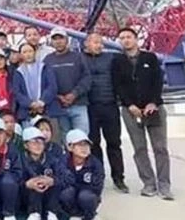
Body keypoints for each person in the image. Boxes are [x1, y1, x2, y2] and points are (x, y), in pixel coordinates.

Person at [111, 27, 171, 200]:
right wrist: (129, 104)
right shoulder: (117, 61)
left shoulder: (150, 58)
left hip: (154, 108)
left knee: (160, 148)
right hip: (131, 111)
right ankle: (149, 183)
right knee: (139, 148)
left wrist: (153, 101)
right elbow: (118, 86)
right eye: (122, 38)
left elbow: (157, 81)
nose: (125, 40)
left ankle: (164, 185)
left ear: (136, 39)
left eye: (129, 37)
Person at [82, 32, 128, 193]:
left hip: (110, 105)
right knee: (93, 144)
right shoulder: (80, 59)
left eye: (101, 42)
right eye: (95, 42)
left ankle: (119, 178)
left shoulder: (111, 59)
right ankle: (98, 176)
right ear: (86, 44)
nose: (99, 45)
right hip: (90, 106)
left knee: (114, 143)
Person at [42, 28, 92, 136]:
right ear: (51, 42)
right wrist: (58, 97)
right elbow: (44, 83)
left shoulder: (78, 57)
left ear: (66, 40)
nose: (58, 41)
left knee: (82, 137)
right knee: (66, 140)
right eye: (55, 39)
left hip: (79, 105)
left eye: (61, 38)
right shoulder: (47, 60)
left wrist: (74, 94)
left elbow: (87, 78)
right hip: (59, 107)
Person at [20, 127, 67, 220]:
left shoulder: (52, 159)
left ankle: (52, 213)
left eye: (41, 142)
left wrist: (52, 181)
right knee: (33, 184)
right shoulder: (20, 159)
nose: (38, 145)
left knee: (54, 182)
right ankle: (34, 213)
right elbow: (14, 178)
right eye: (34, 142)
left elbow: (66, 177)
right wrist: (26, 184)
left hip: (49, 198)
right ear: (26, 145)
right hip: (27, 199)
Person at [60, 129, 104, 220]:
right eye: (80, 144)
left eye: (86, 144)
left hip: (87, 195)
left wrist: (77, 185)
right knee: (66, 193)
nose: (84, 148)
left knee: (86, 196)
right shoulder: (63, 161)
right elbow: (61, 181)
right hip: (71, 197)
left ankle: (90, 216)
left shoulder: (95, 164)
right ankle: (74, 215)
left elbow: (97, 187)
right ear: (70, 147)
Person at [0, 49, 29, 121]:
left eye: (1, 59)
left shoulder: (12, 74)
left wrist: (12, 111)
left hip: (12, 111)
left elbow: (16, 93)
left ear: (5, 60)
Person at [16, 43, 46, 118]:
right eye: (24, 52)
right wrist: (30, 104)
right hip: (27, 112)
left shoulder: (44, 67)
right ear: (20, 55)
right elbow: (17, 92)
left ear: (35, 52)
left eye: (30, 51)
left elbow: (51, 86)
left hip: (46, 109)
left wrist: (41, 102)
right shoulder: (18, 72)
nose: (28, 54)